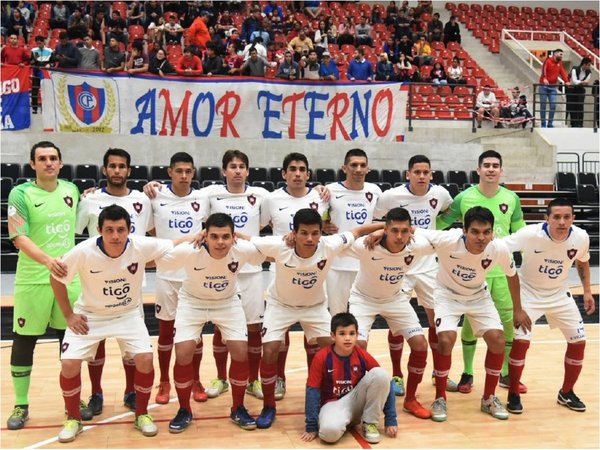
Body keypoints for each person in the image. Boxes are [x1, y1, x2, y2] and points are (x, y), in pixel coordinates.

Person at [250, 208, 384, 429]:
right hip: (280, 305)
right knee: (271, 349)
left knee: (338, 347)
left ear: (322, 232)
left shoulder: (330, 244)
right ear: (294, 232)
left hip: (315, 307)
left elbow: (358, 230)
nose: (310, 238)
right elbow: (246, 239)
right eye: (304, 233)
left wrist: (382, 229)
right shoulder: (278, 245)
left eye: (315, 233)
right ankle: (269, 405)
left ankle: (333, 398)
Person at [51, 205, 175, 442]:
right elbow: (56, 278)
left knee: (145, 359)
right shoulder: (83, 250)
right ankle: (74, 419)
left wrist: (199, 236)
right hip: (90, 315)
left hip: (127, 314)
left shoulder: (140, 245)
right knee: (68, 364)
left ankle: (141, 414)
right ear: (99, 230)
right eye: (109, 230)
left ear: (129, 230)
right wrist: (68, 315)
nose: (115, 236)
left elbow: (173, 245)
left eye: (121, 230)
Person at [158, 213, 266, 433]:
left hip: (227, 302)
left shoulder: (242, 249)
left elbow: (270, 251)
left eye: (225, 236)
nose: (220, 242)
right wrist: (185, 239)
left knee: (239, 351)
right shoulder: (190, 251)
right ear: (205, 235)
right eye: (214, 236)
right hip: (192, 302)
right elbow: (156, 257)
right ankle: (184, 409)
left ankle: (238, 407)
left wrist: (248, 237)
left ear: (233, 236)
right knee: (184, 352)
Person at [6, 142, 82, 431]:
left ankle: (73, 404)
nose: (48, 163)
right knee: (25, 340)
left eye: (53, 158)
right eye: (42, 159)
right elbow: (18, 237)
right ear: (32, 164)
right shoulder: (21, 193)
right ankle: (21, 404)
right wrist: (48, 261)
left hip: (67, 278)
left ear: (61, 163)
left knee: (70, 341)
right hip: (33, 279)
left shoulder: (71, 191)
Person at [437, 150, 526, 396]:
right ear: (478, 170)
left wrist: (529, 259)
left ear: (501, 170)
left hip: (502, 272)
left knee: (507, 324)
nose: (490, 169)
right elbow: (441, 223)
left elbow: (521, 232)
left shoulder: (512, 198)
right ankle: (467, 373)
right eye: (486, 165)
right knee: (470, 324)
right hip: (472, 271)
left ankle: (507, 374)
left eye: (495, 165)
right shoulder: (464, 197)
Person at [419, 206, 520, 421]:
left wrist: (518, 309)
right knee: (446, 339)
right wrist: (381, 230)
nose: (481, 237)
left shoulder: (499, 248)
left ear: (493, 232)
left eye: (486, 232)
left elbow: (512, 275)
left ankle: (489, 398)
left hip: (478, 295)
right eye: (475, 231)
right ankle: (439, 397)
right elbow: (412, 230)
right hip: (447, 294)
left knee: (498, 339)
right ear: (464, 230)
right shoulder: (447, 240)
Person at [76, 148, 154, 415]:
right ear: (104, 170)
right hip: (95, 285)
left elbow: (152, 233)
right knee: (95, 343)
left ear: (129, 171)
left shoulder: (143, 200)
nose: (118, 170)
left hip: (131, 283)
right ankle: (96, 392)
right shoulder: (89, 200)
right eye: (113, 166)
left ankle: (131, 390)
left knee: (131, 345)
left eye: (122, 166)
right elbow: (76, 232)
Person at [503, 198, 595, 414]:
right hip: (529, 294)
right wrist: (517, 305)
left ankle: (566, 392)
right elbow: (500, 248)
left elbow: (583, 261)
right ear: (547, 218)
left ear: (573, 218)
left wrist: (588, 291)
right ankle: (513, 392)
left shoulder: (580, 237)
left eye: (567, 217)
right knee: (521, 343)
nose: (562, 222)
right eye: (557, 217)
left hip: (559, 294)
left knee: (579, 341)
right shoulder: (529, 234)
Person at [374, 155, 456, 395]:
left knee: (436, 320)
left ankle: (438, 372)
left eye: (426, 172)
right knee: (397, 322)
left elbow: (448, 212)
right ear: (407, 174)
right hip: (400, 264)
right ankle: (397, 375)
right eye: (417, 172)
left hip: (429, 265)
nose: (422, 176)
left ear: (431, 174)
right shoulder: (391, 196)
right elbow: (379, 221)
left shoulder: (440, 194)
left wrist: (434, 233)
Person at [196, 150, 271, 401]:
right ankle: (221, 378)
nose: (237, 170)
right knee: (221, 327)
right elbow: (179, 196)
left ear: (248, 171)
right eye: (232, 166)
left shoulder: (261, 196)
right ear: (224, 171)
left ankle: (252, 380)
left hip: (250, 271)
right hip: (222, 270)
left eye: (242, 166)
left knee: (253, 328)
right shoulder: (210, 194)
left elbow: (265, 223)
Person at [347, 208, 434, 419]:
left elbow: (443, 238)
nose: (399, 236)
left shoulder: (416, 246)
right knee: (357, 346)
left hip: (395, 299)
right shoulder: (366, 246)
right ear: (385, 229)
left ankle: (411, 400)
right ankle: (357, 398)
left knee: (420, 344)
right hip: (363, 300)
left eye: (405, 231)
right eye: (394, 230)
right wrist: (377, 229)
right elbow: (350, 234)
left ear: (411, 231)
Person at [260, 153, 329, 401]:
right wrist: (280, 250)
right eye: (292, 169)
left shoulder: (321, 196)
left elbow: (329, 227)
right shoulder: (271, 199)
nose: (297, 173)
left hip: (312, 271)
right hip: (282, 272)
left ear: (308, 174)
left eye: (302, 169)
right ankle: (279, 377)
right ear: (284, 174)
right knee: (279, 334)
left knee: (315, 336)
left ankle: (315, 382)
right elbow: (258, 231)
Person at [145, 152, 208, 405]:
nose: (184, 176)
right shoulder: (155, 197)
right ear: (169, 172)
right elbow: (150, 229)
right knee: (165, 333)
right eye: (179, 171)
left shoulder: (203, 198)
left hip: (194, 274)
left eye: (188, 171)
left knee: (196, 333)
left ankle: (195, 378)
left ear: (194, 173)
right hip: (166, 276)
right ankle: (164, 381)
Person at [301, 312, 397, 444]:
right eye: (342, 333)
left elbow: (385, 382)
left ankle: (369, 423)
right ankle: (343, 420)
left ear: (357, 335)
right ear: (333, 336)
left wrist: (391, 419)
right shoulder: (321, 357)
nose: (347, 338)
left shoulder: (361, 354)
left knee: (381, 374)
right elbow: (312, 391)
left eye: (352, 334)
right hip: (332, 404)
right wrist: (311, 426)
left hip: (356, 400)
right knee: (329, 434)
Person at [324, 149, 382, 317]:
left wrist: (379, 231)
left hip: (365, 262)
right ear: (344, 168)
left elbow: (386, 218)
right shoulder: (330, 190)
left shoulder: (375, 191)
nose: (358, 169)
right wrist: (323, 226)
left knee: (363, 314)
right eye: (353, 165)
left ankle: (357, 344)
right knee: (337, 314)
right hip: (337, 264)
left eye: (362, 165)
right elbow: (315, 216)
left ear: (367, 169)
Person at [538, 48, 569, 128]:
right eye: (560, 54)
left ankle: (550, 123)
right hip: (543, 86)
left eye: (562, 54)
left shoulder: (559, 63)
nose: (562, 56)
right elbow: (544, 69)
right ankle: (543, 123)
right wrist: (544, 78)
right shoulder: (548, 61)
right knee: (543, 105)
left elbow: (563, 72)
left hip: (553, 87)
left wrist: (566, 81)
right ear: (555, 54)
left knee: (553, 105)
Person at [30, 35, 54, 113]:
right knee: (34, 90)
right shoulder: (33, 50)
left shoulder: (50, 51)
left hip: (45, 72)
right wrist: (34, 60)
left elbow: (53, 62)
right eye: (37, 43)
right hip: (36, 72)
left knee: (45, 90)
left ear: (44, 42)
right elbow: (30, 62)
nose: (39, 45)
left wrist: (49, 65)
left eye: (40, 43)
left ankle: (45, 107)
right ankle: (34, 108)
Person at [566, 57, 592, 128]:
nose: (589, 67)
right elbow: (574, 81)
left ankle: (580, 124)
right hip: (572, 89)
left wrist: (580, 82)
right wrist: (582, 82)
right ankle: (573, 124)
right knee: (572, 107)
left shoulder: (589, 72)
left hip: (580, 90)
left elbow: (587, 82)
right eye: (588, 65)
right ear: (584, 64)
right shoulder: (575, 69)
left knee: (580, 106)